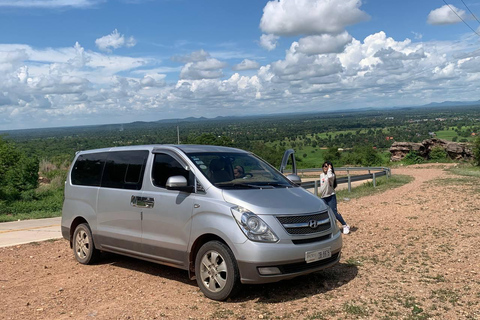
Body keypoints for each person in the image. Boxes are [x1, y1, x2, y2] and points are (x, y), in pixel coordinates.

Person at [319, 161, 350, 235]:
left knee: (334, 213)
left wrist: (330, 169)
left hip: (331, 196)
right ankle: (329, 228)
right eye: (324, 166)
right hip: (323, 197)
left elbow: (329, 176)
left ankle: (345, 225)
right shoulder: (321, 175)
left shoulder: (332, 175)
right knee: (325, 214)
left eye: (327, 166)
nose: (325, 168)